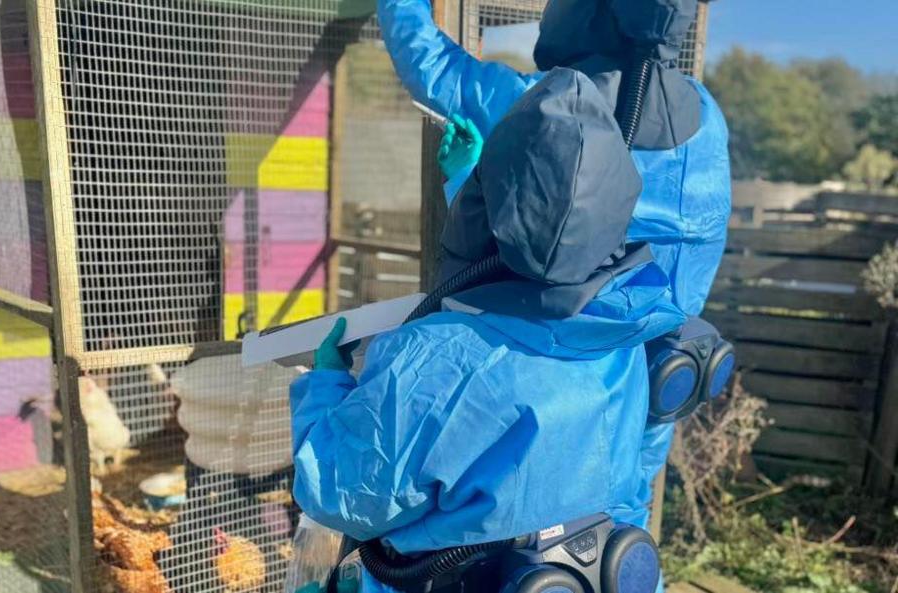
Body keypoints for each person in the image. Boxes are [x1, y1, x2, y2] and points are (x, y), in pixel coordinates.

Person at [291, 69, 687, 592]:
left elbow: (340, 494)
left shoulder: (433, 359)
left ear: (494, 198)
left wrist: (326, 385)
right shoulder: (623, 335)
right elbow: (557, 241)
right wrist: (467, 177)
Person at [384, 0, 731, 551]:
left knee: (511, 545)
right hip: (657, 380)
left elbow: (431, 67)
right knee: (618, 543)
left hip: (553, 384)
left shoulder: (549, 105)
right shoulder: (707, 116)